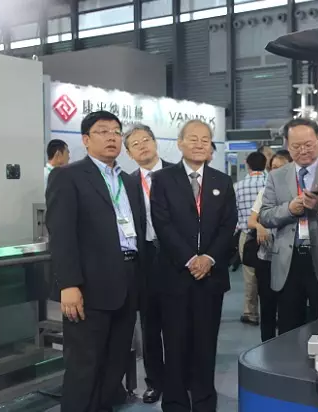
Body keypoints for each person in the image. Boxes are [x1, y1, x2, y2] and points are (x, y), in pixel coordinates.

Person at [46, 110, 146, 412]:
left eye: (116, 131)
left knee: (114, 364)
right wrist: (69, 284)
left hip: (128, 279)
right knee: (84, 366)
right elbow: (62, 234)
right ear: (86, 140)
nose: (112, 137)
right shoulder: (68, 176)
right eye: (103, 131)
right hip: (89, 286)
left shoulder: (128, 181)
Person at [151, 119, 237, 412]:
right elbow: (162, 224)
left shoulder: (222, 181)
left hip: (210, 277)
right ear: (180, 143)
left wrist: (209, 258)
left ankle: (204, 401)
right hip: (175, 275)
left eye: (205, 139)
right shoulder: (163, 180)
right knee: (174, 343)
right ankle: (175, 402)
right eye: (193, 139)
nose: (200, 144)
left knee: (205, 344)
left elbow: (228, 225)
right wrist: (190, 259)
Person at [124, 124, 174, 404]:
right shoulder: (127, 184)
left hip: (177, 257)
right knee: (150, 326)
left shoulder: (178, 175)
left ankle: (180, 379)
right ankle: (154, 382)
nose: (142, 145)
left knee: (179, 323)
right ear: (129, 154)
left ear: (156, 143)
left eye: (146, 140)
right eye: (135, 144)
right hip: (145, 259)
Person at [259, 118, 318, 334]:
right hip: (289, 260)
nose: (303, 150)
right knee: (288, 325)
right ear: (286, 144)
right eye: (296, 146)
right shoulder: (277, 176)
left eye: (308, 144)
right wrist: (289, 209)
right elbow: (265, 215)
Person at [247, 150, 292, 341]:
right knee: (267, 306)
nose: (277, 172)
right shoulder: (264, 192)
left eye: (281, 167)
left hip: (289, 259)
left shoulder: (297, 193)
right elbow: (251, 220)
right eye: (273, 168)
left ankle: (286, 346)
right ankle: (266, 346)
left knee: (288, 309)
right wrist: (260, 227)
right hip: (266, 257)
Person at [234, 151, 267, 326]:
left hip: (247, 235)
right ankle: (272, 310)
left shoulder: (238, 186)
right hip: (270, 234)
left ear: (247, 165)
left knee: (250, 275)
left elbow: (233, 212)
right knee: (271, 273)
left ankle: (251, 313)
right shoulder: (270, 184)